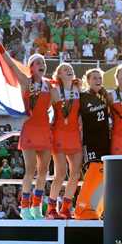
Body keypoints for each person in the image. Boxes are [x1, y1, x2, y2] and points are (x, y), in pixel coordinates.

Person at [0, 47, 52, 220]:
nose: (41, 64)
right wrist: (0, 49)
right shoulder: (25, 81)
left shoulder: (49, 85)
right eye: (37, 62)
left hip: (45, 128)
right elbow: (12, 67)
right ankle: (24, 207)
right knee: (30, 170)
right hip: (30, 128)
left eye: (43, 62)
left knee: (43, 170)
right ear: (31, 67)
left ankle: (37, 206)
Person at [46, 63, 82, 219]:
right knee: (60, 173)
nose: (69, 71)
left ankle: (66, 208)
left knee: (75, 174)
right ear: (58, 74)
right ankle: (51, 209)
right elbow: (44, 110)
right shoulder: (54, 92)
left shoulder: (78, 89)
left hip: (74, 134)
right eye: (65, 70)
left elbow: (81, 111)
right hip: (59, 134)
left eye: (71, 70)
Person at [79, 68, 110, 164]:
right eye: (94, 78)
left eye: (100, 78)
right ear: (88, 80)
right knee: (91, 170)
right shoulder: (82, 96)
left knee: (104, 171)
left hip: (105, 140)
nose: (98, 81)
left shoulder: (105, 95)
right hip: (90, 141)